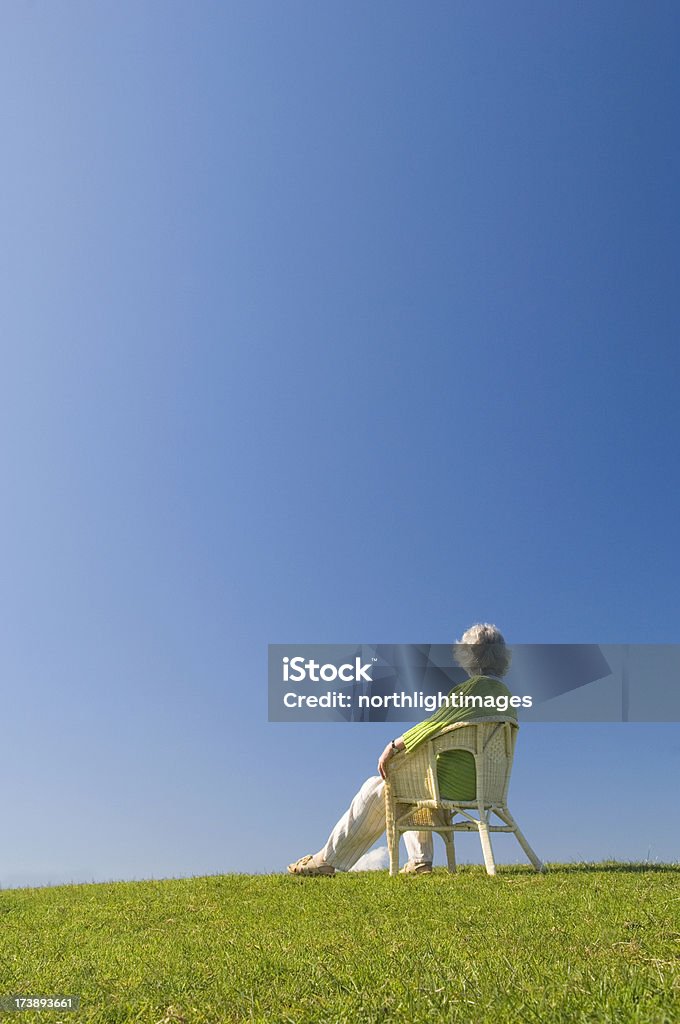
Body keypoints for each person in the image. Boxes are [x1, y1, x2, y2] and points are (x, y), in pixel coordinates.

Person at [287, 623, 516, 876]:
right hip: (483, 785)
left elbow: (432, 726)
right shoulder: (506, 696)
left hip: (453, 785)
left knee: (375, 787)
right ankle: (419, 862)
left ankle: (326, 860)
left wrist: (393, 746)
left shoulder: (471, 690)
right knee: (408, 780)